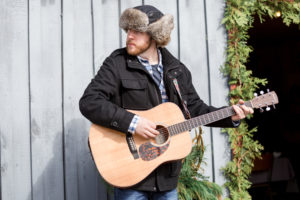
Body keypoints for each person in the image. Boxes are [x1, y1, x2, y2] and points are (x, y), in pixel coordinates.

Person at [79, 5, 253, 200]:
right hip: (131, 176)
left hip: (166, 178)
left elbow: (195, 109)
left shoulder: (177, 70)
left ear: (154, 35)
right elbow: (90, 102)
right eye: (128, 30)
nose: (129, 36)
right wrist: (134, 123)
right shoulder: (117, 63)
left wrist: (231, 115)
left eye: (136, 31)